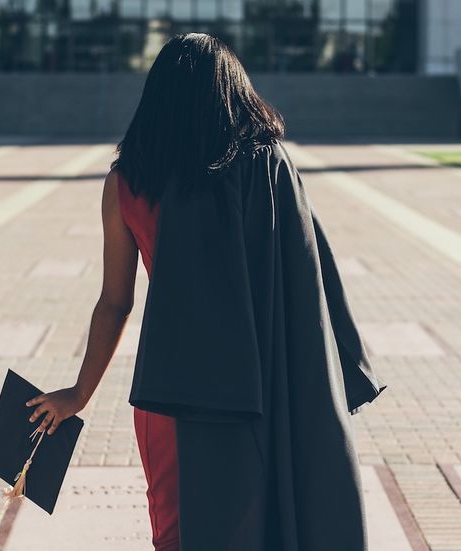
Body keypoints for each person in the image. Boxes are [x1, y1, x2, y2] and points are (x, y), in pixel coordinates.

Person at [24, 33, 386, 551]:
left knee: (179, 534)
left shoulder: (128, 183)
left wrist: (79, 393)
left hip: (173, 388)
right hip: (265, 381)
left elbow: (115, 302)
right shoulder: (267, 167)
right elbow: (307, 278)